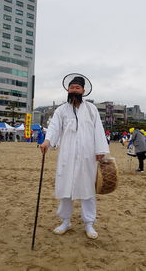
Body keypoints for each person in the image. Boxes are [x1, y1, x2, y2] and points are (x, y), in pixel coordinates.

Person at [40, 73, 109, 239]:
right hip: (67, 155)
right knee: (65, 188)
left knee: (88, 190)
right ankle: (65, 221)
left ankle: (89, 223)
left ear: (83, 91)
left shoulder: (92, 109)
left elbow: (98, 130)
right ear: (67, 90)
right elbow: (54, 127)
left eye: (77, 87)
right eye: (71, 87)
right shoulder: (61, 110)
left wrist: (100, 151)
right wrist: (47, 141)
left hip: (88, 156)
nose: (74, 90)